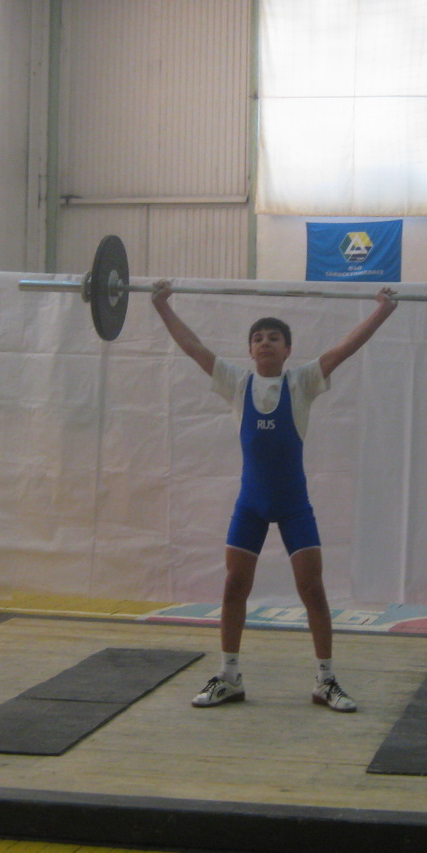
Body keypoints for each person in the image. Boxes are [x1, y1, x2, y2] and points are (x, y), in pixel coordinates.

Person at [151, 282, 397, 712]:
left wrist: (384, 311)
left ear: (288, 350)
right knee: (234, 587)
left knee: (312, 589)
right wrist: (161, 305)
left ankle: (325, 680)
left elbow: (346, 347)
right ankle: (229, 676)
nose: (265, 342)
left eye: (274, 338)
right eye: (258, 338)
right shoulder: (236, 382)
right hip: (250, 505)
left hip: (293, 506)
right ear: (249, 351)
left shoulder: (302, 382)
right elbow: (192, 347)